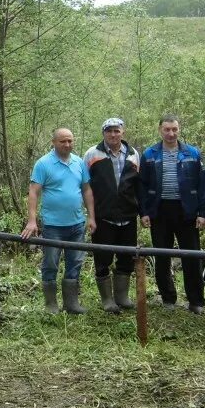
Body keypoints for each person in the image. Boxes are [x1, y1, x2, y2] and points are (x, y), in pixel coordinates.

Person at [139, 114, 205, 313]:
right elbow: (142, 186)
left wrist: (203, 212)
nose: (171, 133)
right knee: (162, 256)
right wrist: (144, 212)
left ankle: (196, 301)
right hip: (159, 211)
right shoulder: (150, 154)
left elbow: (203, 186)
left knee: (192, 256)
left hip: (187, 211)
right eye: (167, 129)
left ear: (179, 130)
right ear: (160, 130)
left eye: (174, 129)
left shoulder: (192, 153)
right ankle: (168, 299)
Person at [21, 128, 97, 315]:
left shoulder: (79, 162)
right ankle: (51, 305)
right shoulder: (43, 163)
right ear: (53, 142)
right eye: (63, 141)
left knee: (75, 262)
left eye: (70, 141)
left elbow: (86, 190)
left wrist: (91, 216)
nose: (67, 144)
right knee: (50, 264)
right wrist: (32, 221)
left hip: (77, 224)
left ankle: (71, 304)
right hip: (53, 225)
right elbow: (33, 192)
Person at [84, 117, 142, 313]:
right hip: (103, 216)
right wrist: (90, 215)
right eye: (109, 131)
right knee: (103, 259)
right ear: (103, 133)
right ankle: (107, 300)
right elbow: (85, 186)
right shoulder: (93, 154)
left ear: (122, 132)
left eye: (116, 131)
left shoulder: (134, 154)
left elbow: (138, 186)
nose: (113, 134)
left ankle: (122, 297)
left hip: (128, 216)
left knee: (126, 258)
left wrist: (142, 212)